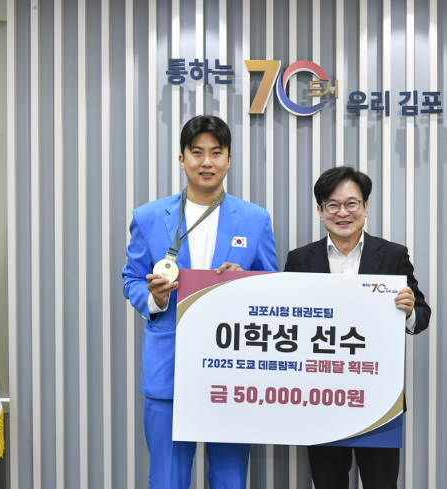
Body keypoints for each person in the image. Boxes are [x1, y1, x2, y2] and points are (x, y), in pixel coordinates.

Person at [122, 115, 278, 489]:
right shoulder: (148, 217)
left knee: (229, 479)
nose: (206, 162)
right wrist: (154, 298)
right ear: (182, 159)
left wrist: (245, 284)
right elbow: (131, 279)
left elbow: (271, 287)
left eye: (216, 153)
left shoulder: (255, 219)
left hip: (232, 372)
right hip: (169, 369)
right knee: (167, 478)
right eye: (197, 152)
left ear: (228, 159)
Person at [284, 165, 430, 489]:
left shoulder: (393, 254)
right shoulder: (300, 260)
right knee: (327, 483)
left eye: (351, 203)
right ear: (320, 211)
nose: (343, 212)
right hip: (320, 399)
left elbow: (422, 314)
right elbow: (286, 321)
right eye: (333, 205)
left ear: (365, 207)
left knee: (381, 484)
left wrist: (408, 312)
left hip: (378, 399)